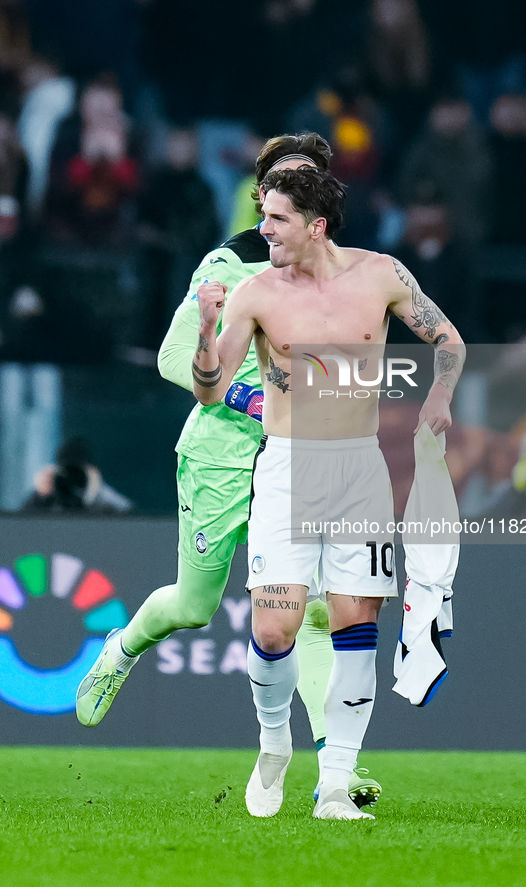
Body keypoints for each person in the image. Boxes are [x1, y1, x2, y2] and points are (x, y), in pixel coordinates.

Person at [75, 132, 381, 808]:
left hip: (302, 461)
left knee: (313, 614)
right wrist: (249, 397)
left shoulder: (345, 274)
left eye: (307, 178)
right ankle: (118, 649)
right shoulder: (231, 260)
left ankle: (337, 769)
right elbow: (171, 357)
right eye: (282, 179)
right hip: (220, 452)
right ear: (262, 193)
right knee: (193, 605)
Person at [194, 166, 464, 819]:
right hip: (287, 469)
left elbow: (447, 340)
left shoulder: (381, 275)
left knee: (353, 626)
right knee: (275, 625)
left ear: (315, 225)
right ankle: (272, 743)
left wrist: (438, 391)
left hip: (359, 472)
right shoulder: (255, 293)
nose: (263, 229)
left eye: (276, 218)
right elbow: (209, 388)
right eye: (263, 215)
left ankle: (336, 787)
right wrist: (206, 329)